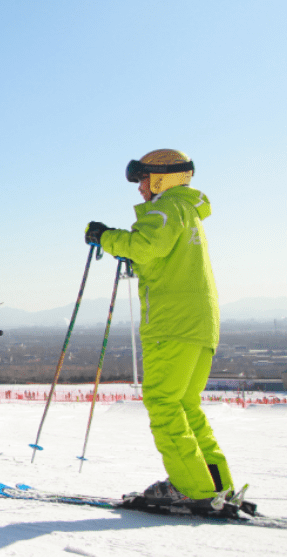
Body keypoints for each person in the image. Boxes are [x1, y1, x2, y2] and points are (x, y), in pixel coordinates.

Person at [85, 149, 233, 508]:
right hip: (199, 323)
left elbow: (145, 245)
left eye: (142, 180)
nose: (139, 189)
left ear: (163, 178)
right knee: (185, 404)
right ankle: (214, 482)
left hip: (173, 323)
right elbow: (157, 255)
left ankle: (192, 488)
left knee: (163, 403)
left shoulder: (167, 208)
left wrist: (105, 236)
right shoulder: (186, 212)